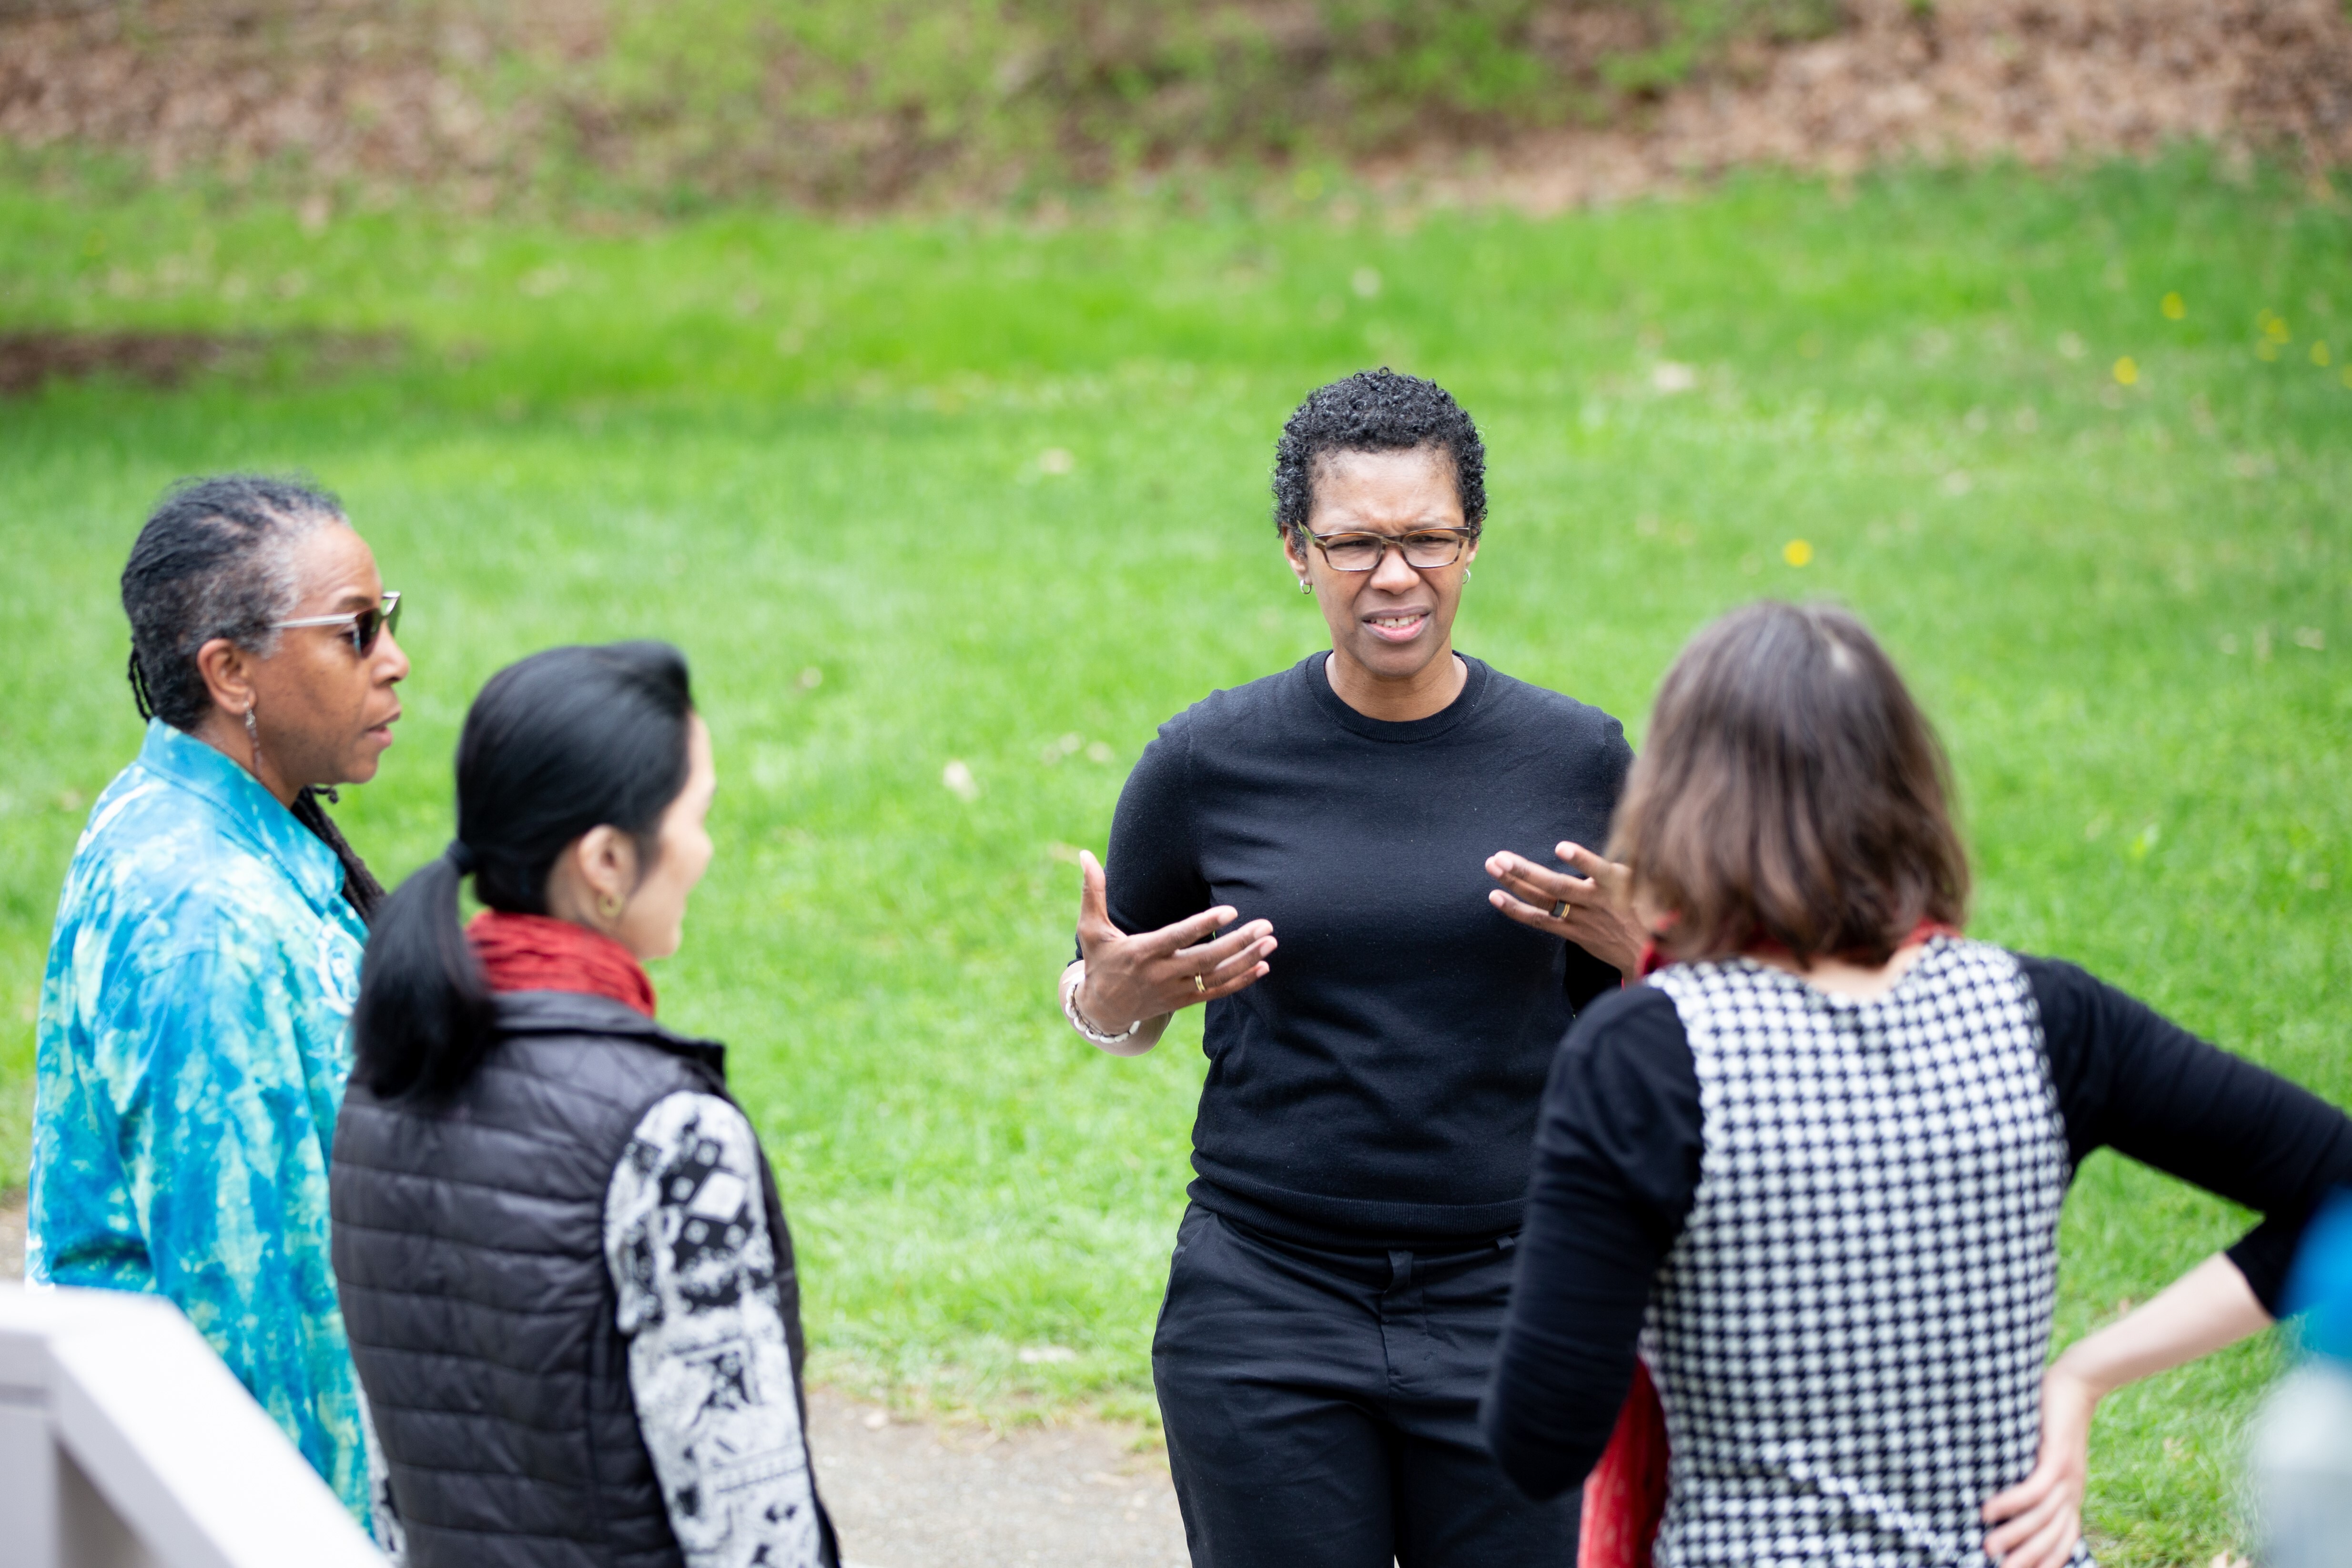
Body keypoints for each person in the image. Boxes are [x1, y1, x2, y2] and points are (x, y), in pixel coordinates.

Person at [1482, 600, 2352, 1568]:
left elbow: (1541, 1437)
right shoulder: (2045, 1014)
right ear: (1905, 787)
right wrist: (2083, 1373)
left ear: (1680, 803)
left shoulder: (1645, 1052)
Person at [1059, 368, 1645, 1566]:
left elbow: (1680, 1026)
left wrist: (1646, 953)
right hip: (1264, 1299)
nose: (1394, 575)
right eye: (1355, 543)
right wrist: (1107, 1003)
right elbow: (1112, 993)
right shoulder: (1206, 761)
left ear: (1471, 542)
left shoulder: (1579, 759)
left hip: (1514, 1295)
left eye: (1427, 538)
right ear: (1295, 550)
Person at [332, 642, 837, 1568]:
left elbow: (394, 1479)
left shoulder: (380, 1077)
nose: (707, 847)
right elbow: (750, 1527)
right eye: (698, 814)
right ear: (606, 858)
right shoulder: (671, 1135)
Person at [29, 473, 405, 1525]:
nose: (393, 659)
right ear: (231, 670)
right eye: (355, 632)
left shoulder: (194, 815)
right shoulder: (208, 919)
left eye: (388, 622)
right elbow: (253, 1312)